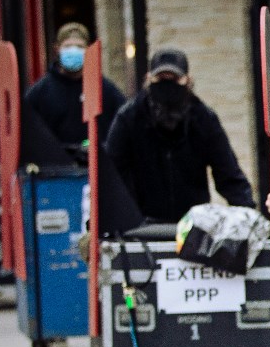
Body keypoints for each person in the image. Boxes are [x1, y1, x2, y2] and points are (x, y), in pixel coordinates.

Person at [106, 47, 256, 223]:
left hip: (193, 225)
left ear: (187, 80)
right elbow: (112, 174)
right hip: (141, 225)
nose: (167, 87)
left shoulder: (203, 119)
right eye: (160, 79)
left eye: (175, 80)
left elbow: (228, 174)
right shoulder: (129, 119)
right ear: (148, 80)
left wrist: (249, 217)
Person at [24, 22, 127, 156]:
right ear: (57, 49)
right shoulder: (40, 92)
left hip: (97, 169)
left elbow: (123, 127)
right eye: (68, 46)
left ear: (89, 49)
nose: (73, 51)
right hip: (55, 171)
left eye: (79, 47)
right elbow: (27, 132)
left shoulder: (105, 90)